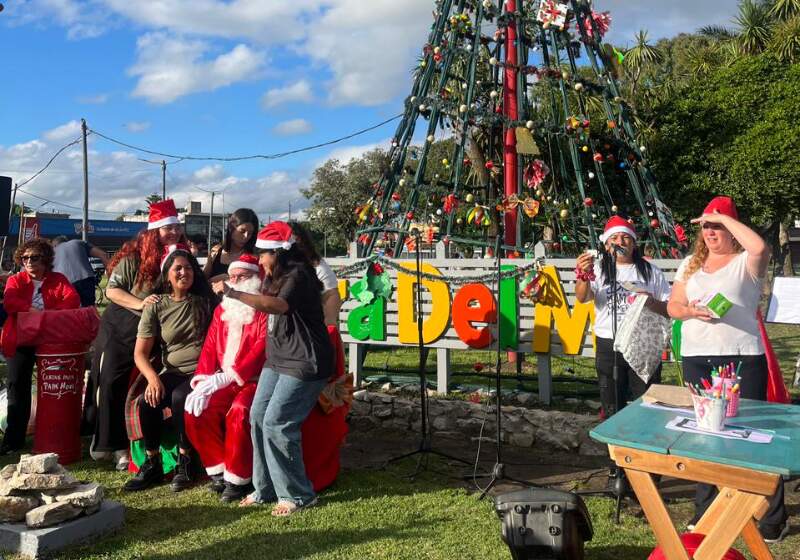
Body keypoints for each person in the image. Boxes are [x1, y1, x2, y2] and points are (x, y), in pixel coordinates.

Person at [667, 195, 788, 542]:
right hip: (697, 355)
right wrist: (690, 311)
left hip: (742, 356)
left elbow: (761, 246)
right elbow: (674, 305)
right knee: (704, 436)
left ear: (732, 229)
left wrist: (724, 217)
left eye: (716, 225)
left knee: (751, 434)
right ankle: (705, 511)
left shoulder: (746, 262)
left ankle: (771, 518)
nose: (710, 232)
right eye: (705, 226)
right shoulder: (690, 263)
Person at [228, 221, 333, 516]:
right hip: (278, 359)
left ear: (279, 254)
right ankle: (265, 489)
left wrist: (234, 294)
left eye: (264, 254)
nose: (259, 260)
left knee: (278, 422)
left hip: (305, 361)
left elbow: (277, 306)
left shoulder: (298, 275)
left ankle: (298, 495)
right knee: (258, 416)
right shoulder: (275, 275)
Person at [82, 199, 185, 471]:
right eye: (167, 228)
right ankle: (112, 445)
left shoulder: (178, 258)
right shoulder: (134, 259)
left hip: (155, 332)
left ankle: (143, 440)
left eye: (176, 227)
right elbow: (112, 292)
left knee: (139, 387)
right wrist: (141, 304)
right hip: (122, 328)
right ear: (154, 231)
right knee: (111, 381)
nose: (173, 232)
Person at [124, 244, 216, 492]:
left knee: (179, 397)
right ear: (167, 275)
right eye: (178, 268)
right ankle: (152, 462)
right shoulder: (156, 305)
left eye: (188, 268)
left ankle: (186, 461)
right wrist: (153, 379)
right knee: (147, 401)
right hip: (173, 371)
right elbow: (140, 353)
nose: (184, 272)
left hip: (204, 371)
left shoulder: (208, 302)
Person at [184, 254, 267, 502]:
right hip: (224, 379)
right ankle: (220, 471)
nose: (235, 282)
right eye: (232, 277)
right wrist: (202, 380)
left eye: (241, 277)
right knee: (196, 410)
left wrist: (232, 375)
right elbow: (210, 347)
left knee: (240, 412)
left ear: (255, 279)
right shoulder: (223, 309)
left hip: (254, 380)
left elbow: (262, 347)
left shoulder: (263, 308)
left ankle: (239, 478)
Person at [575, 216, 671, 416]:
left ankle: (644, 443)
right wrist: (583, 275)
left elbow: (669, 308)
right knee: (611, 401)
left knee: (646, 401)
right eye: (615, 238)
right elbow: (583, 297)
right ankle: (613, 445)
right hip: (609, 343)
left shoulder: (650, 271)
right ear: (607, 244)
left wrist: (651, 302)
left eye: (625, 237)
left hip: (642, 342)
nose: (620, 242)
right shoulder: (599, 269)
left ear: (634, 243)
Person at [0, 238, 80, 455]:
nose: (29, 262)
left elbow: (72, 300)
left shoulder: (58, 279)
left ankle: (55, 432)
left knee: (55, 385)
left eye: (34, 257)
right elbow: (9, 302)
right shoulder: (16, 280)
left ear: (45, 259)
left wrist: (46, 316)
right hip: (20, 338)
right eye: (25, 258)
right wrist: (36, 312)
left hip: (50, 339)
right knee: (17, 384)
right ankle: (13, 440)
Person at [288, 222, 342, 327]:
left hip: (311, 332)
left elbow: (331, 296)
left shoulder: (319, 268)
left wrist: (328, 324)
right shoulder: (283, 266)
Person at [204, 208, 259, 294]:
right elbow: (202, 282)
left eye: (250, 233)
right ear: (231, 228)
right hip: (214, 304)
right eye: (242, 231)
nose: (246, 236)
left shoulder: (254, 256)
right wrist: (216, 279)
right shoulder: (215, 251)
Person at [51, 236, 109, 307]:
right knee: (89, 311)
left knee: (70, 313)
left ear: (55, 245)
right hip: (86, 279)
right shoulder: (78, 242)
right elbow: (103, 254)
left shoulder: (52, 253)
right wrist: (110, 280)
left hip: (65, 284)